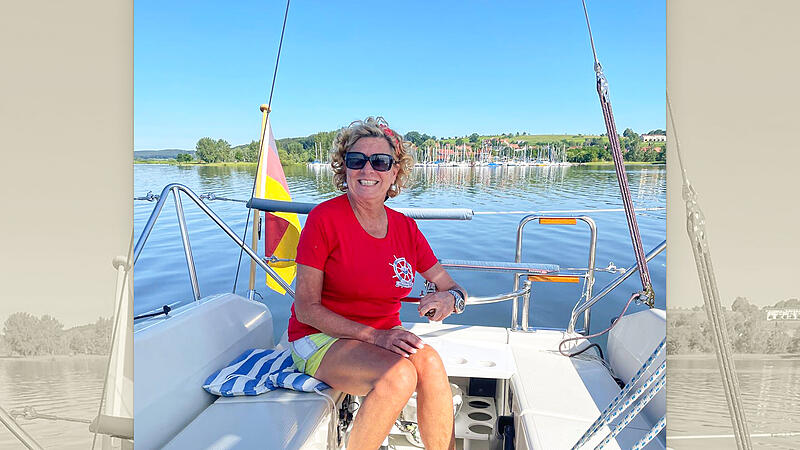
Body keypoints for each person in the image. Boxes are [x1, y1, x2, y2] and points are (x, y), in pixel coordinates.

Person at [287, 117, 467, 450]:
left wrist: (450, 299)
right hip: (321, 338)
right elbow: (306, 308)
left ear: (395, 172)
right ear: (345, 168)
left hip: (381, 338)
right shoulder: (324, 219)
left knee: (430, 363)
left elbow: (450, 285)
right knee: (398, 376)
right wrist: (376, 336)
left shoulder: (404, 228)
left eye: (380, 161)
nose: (368, 170)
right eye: (357, 160)